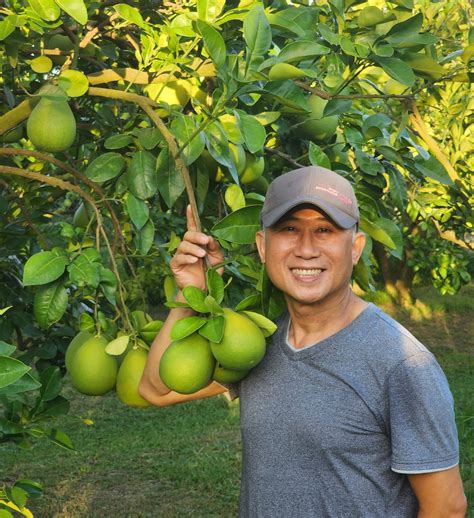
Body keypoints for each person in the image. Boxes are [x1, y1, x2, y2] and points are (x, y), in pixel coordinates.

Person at [139, 166, 467, 517]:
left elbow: (446, 508)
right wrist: (190, 296)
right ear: (263, 246)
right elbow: (156, 389)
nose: (306, 249)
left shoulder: (400, 363)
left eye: (324, 230)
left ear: (355, 247)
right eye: (289, 229)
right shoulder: (257, 344)